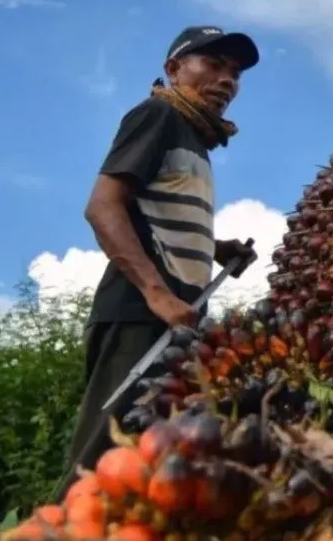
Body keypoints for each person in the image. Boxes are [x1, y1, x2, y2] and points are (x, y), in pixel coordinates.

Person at [62, 26, 260, 488]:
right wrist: (156, 295)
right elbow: (103, 205)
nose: (228, 80)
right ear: (173, 69)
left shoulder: (195, 140)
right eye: (213, 64)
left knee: (154, 457)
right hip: (139, 317)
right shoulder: (158, 116)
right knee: (104, 457)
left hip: (177, 321)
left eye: (234, 72)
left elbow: (154, 214)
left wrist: (217, 248)